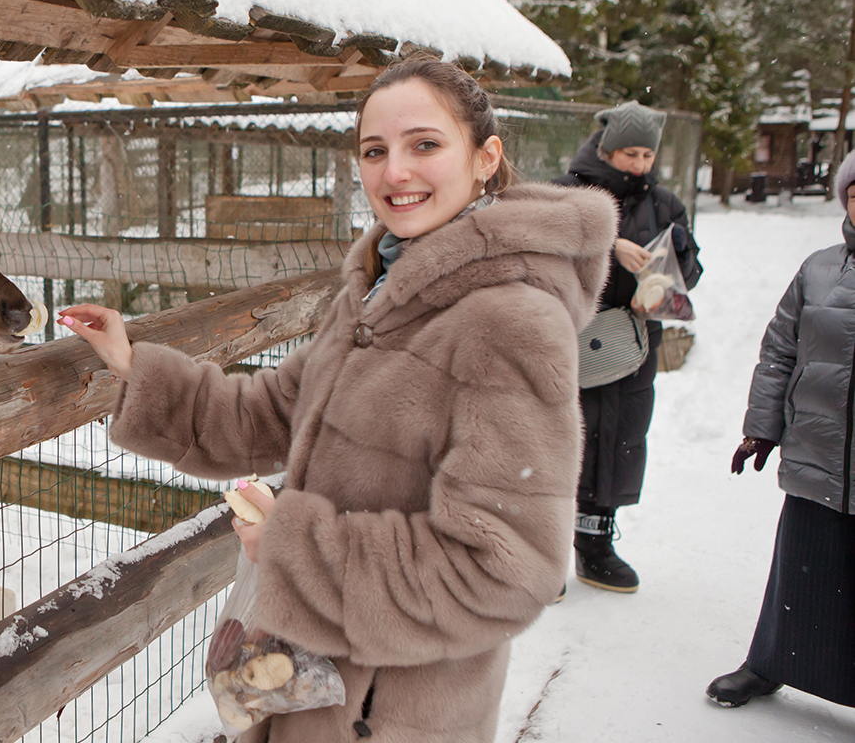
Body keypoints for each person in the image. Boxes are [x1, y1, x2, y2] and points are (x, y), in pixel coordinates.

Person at [59, 56, 615, 743]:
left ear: (485, 156)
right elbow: (269, 414)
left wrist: (295, 546)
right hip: (314, 691)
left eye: (425, 145)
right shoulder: (381, 288)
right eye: (374, 151)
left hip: (390, 715)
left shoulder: (506, 323)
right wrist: (132, 363)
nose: (394, 173)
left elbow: (505, 569)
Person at [705, 149, 855, 709]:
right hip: (817, 451)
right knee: (801, 571)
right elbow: (779, 354)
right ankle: (769, 663)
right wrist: (761, 430)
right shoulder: (817, 269)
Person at [554, 100, 703, 592]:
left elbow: (691, 274)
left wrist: (668, 268)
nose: (640, 165)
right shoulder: (568, 193)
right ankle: (546, 551)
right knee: (556, 442)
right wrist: (606, 239)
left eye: (646, 155)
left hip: (633, 345)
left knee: (618, 439)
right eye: (629, 154)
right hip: (569, 339)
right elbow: (535, 243)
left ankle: (596, 546)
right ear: (607, 147)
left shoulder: (664, 204)